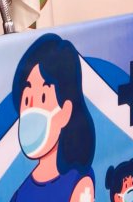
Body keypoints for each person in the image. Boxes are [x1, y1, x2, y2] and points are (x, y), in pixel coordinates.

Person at [10, 33, 96, 202]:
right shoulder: (20, 193)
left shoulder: (79, 183)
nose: (31, 111)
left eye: (42, 98)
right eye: (27, 100)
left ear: (65, 111)